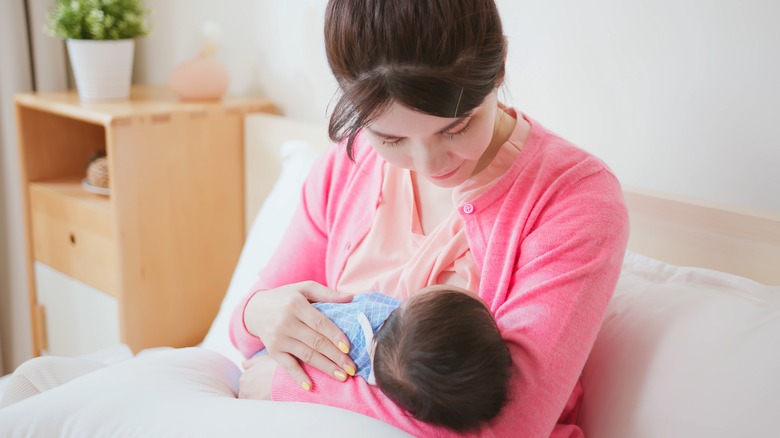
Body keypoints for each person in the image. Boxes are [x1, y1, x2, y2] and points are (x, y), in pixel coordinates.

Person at [232, 0, 630, 436]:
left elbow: (506, 426)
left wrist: (289, 385)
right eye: (391, 137)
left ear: (498, 70)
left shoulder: (574, 199)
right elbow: (247, 331)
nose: (428, 163)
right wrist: (258, 313)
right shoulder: (347, 166)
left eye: (455, 128)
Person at [249, 285, 513, 432]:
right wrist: (252, 313)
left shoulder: (363, 322)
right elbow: (249, 330)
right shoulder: (409, 377)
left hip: (261, 382)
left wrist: (281, 382)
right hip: (258, 363)